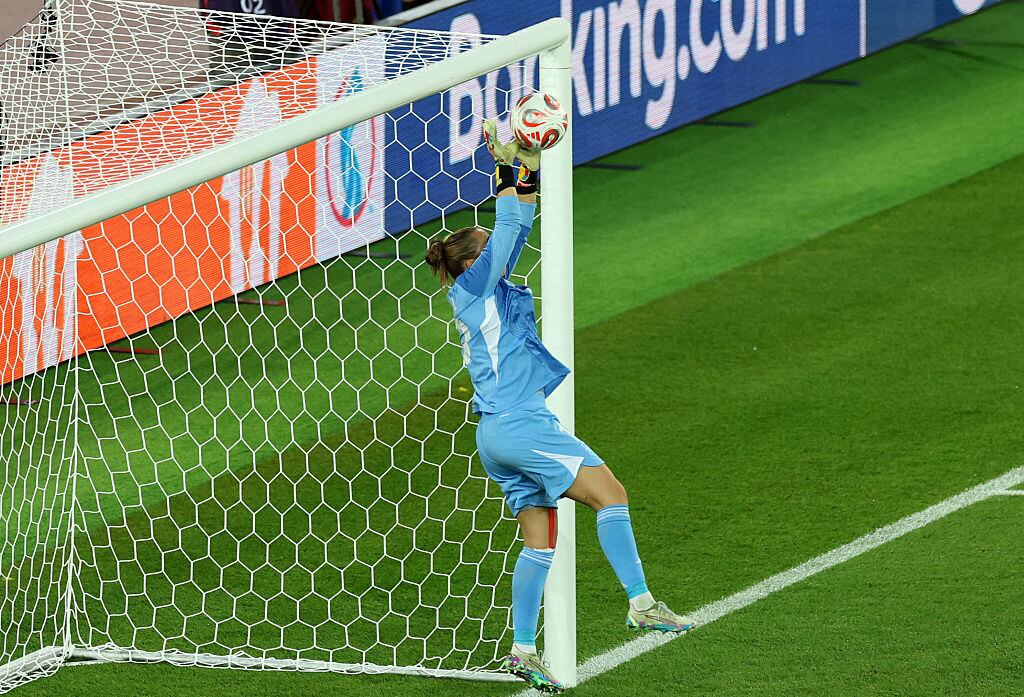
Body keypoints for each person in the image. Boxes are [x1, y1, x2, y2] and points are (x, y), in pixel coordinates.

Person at [424, 120, 696, 694]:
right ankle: (642, 603)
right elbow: (513, 226)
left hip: (497, 434)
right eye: (485, 242)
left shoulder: (478, 289)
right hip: (521, 426)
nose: (495, 247)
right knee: (611, 495)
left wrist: (524, 167)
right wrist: (512, 170)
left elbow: (517, 226)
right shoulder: (476, 288)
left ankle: (523, 650)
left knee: (539, 541)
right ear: (474, 261)